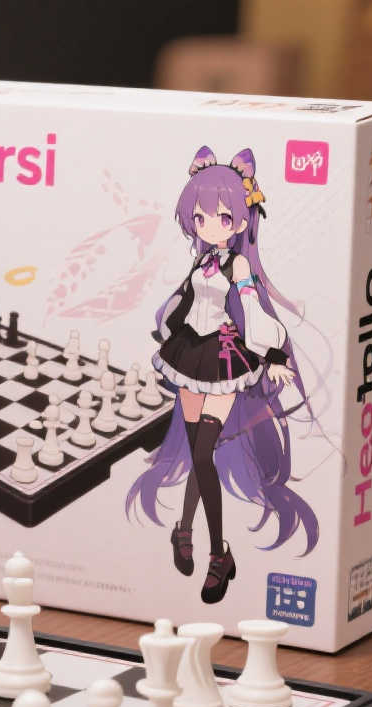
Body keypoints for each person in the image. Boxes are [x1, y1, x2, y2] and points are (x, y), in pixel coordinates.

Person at [127, 147, 317, 604]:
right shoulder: (201, 261)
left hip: (223, 359)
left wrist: (274, 353)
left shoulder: (238, 265)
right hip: (190, 354)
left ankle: (220, 554)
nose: (209, 226)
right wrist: (165, 328)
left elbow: (252, 309)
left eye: (221, 217)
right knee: (200, 454)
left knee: (203, 453)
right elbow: (183, 302)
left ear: (238, 220)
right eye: (200, 217)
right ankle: (183, 529)